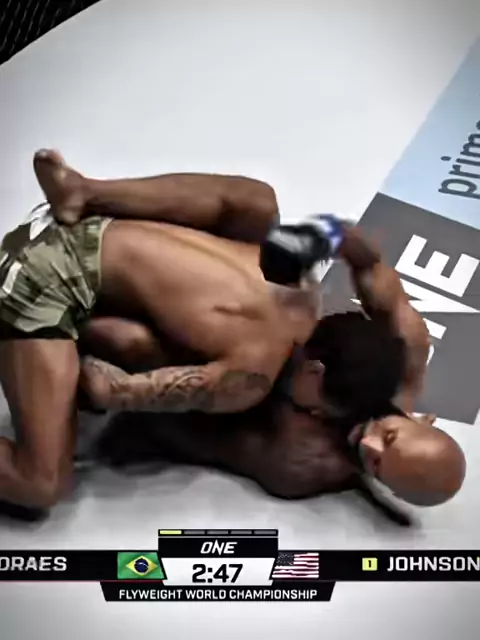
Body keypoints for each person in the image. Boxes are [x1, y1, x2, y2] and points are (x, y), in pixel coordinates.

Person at [44, 152, 465, 510]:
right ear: (424, 421)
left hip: (219, 372)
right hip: (280, 326)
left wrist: (132, 393)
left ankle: (57, 315)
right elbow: (369, 263)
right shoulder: (408, 350)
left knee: (136, 344)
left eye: (376, 466)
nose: (369, 446)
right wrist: (326, 235)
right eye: (389, 438)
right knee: (255, 201)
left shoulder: (306, 462)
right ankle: (86, 191)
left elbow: (193, 436)